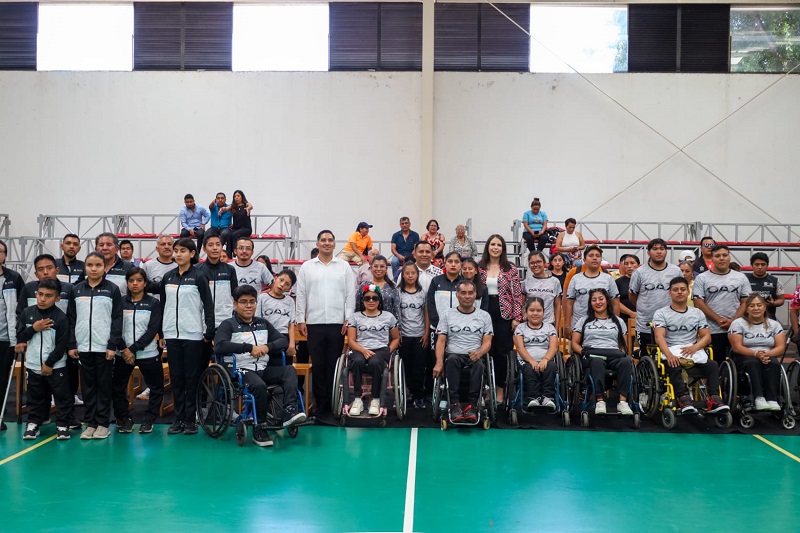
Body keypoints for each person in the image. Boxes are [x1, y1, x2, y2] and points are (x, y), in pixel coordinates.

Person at [215, 285, 306, 447]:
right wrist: (248, 348)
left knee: (289, 370)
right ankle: (260, 428)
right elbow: (220, 346)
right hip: (240, 370)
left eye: (252, 302)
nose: (248, 305)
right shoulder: (228, 324)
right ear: (235, 304)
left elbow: (283, 341)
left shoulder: (263, 323)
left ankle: (289, 411)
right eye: (243, 302)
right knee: (259, 386)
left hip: (263, 369)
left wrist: (267, 347)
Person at [16, 254, 82, 424]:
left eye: (49, 268)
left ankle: (67, 418)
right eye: (41, 269)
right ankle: (41, 416)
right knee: (39, 387)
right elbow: (20, 315)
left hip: (63, 344)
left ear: (57, 269)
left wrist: (71, 344)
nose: (45, 272)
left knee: (67, 385)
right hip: (37, 345)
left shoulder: (69, 289)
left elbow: (73, 317)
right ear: (36, 273)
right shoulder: (29, 288)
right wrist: (21, 339)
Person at [295, 230, 355, 414]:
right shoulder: (307, 267)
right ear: (317, 244)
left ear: (335, 244)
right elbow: (301, 294)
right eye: (323, 240)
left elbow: (350, 295)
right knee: (319, 365)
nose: (326, 243)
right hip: (314, 323)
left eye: (330, 240)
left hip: (338, 324)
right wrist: (300, 319)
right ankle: (321, 406)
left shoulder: (344, 266)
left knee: (334, 365)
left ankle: (334, 404)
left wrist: (348, 319)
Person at [160, 238, 215, 436]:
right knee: (176, 378)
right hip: (171, 334)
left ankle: (191, 419)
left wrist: (209, 331)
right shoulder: (168, 277)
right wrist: (162, 331)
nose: (178, 254)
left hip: (193, 335)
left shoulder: (199, 276)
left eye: (182, 250)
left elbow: (208, 305)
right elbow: (163, 305)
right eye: (176, 250)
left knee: (191, 379)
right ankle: (179, 419)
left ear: (192, 254)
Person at [652, 277, 729, 415]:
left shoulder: (697, 313)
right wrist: (669, 355)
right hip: (671, 349)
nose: (679, 292)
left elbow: (706, 337)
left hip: (692, 350)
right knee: (673, 363)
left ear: (688, 292)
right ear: (670, 293)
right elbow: (659, 337)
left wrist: (695, 347)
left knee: (712, 365)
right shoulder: (661, 313)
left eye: (683, 289)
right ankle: (683, 398)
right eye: (675, 290)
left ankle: (714, 398)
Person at [69, 252, 124, 440]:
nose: (93, 269)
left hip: (104, 348)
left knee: (104, 386)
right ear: (85, 267)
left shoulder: (112, 289)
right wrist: (72, 344)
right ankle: (90, 423)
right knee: (87, 387)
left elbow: (117, 319)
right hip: (83, 347)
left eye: (98, 265)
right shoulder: (76, 290)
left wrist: (112, 345)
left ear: (104, 267)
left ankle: (103, 424)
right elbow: (71, 319)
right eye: (90, 265)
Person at [16, 279, 72, 440]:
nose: (42, 299)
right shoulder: (27, 313)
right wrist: (34, 329)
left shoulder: (60, 318)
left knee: (61, 396)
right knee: (34, 397)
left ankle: (62, 425)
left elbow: (61, 345)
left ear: (57, 298)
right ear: (36, 294)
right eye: (40, 294)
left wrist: (49, 363)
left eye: (48, 296)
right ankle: (33, 424)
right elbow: (20, 336)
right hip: (33, 364)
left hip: (56, 366)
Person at [110, 268, 164, 434]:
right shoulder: (119, 302)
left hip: (148, 353)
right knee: (118, 388)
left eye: (139, 280)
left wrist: (132, 349)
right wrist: (123, 349)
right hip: (122, 354)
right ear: (127, 283)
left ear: (145, 283)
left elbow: (152, 329)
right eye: (131, 280)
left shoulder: (154, 303)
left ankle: (149, 419)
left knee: (156, 387)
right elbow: (115, 327)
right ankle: (124, 418)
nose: (135, 283)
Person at [433, 280, 493, 422]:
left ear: (475, 295)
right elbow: (441, 341)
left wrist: (479, 352)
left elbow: (487, 342)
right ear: (457, 295)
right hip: (454, 354)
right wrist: (439, 363)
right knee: (452, 360)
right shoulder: (447, 314)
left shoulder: (484, 316)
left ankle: (472, 405)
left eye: (470, 293)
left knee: (479, 364)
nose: (467, 296)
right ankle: (454, 404)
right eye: (463, 293)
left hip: (475, 355)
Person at [571, 289, 633, 415]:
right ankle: (600, 400)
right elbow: (574, 343)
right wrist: (583, 352)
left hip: (613, 354)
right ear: (590, 303)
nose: (598, 302)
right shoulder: (584, 321)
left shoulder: (619, 321)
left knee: (626, 361)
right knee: (597, 362)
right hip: (592, 354)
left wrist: (622, 353)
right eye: (594, 300)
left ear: (607, 301)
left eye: (601, 299)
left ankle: (623, 402)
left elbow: (623, 345)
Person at [479, 234, 523, 404]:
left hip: (504, 312)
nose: (495, 248)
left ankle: (500, 390)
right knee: (485, 350)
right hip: (484, 309)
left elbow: (517, 295)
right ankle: (486, 389)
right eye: (493, 244)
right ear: (487, 247)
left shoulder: (510, 268)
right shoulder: (480, 267)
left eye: (499, 245)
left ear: (503, 248)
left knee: (501, 352)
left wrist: (517, 317)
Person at [347, 284, 400, 416]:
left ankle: (375, 400)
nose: (371, 301)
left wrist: (388, 350)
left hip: (381, 349)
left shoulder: (389, 317)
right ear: (363, 300)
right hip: (360, 348)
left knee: (375, 362)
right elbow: (351, 341)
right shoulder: (355, 317)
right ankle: (357, 400)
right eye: (367, 298)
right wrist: (364, 351)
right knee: (357, 362)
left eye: (375, 298)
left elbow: (396, 338)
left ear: (379, 300)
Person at [693, 244, 751, 364]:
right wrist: (718, 319)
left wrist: (733, 321)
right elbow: (698, 303)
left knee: (739, 364)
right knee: (716, 364)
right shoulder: (702, 278)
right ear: (712, 259)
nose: (721, 258)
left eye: (725, 255)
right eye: (717, 256)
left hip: (737, 328)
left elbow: (746, 302)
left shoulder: (741, 277)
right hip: (712, 330)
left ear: (729, 257)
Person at [729, 294, 786, 412]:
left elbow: (781, 347)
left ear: (764, 307)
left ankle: (772, 398)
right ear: (746, 309)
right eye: (752, 306)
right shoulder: (738, 323)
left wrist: (766, 354)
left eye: (759, 305)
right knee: (753, 363)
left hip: (768, 354)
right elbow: (737, 347)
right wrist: (756, 354)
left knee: (774, 363)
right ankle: (758, 397)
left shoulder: (774, 324)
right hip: (745, 355)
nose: (756, 308)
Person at [629, 239, 682, 350]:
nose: (659, 252)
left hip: (670, 323)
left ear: (666, 252)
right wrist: (644, 308)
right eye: (655, 249)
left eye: (662, 249)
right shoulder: (639, 272)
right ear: (648, 252)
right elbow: (633, 296)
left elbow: (680, 293)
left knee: (670, 356)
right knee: (646, 356)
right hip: (645, 324)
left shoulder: (676, 271)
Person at [198, 230, 239, 369]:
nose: (215, 248)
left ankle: (225, 383)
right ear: (204, 249)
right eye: (210, 245)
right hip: (202, 322)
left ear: (222, 247)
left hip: (224, 321)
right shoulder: (197, 270)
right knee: (201, 363)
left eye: (218, 244)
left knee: (226, 363)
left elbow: (235, 295)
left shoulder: (230, 270)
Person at [564, 245, 620, 339]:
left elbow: (615, 303)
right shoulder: (575, 278)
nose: (594, 258)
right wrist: (567, 325)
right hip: (578, 328)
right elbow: (569, 304)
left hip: (604, 328)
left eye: (598, 256)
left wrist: (615, 324)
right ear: (584, 260)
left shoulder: (608, 278)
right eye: (591, 255)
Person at [514, 297, 559, 410]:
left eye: (539, 310)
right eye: (532, 310)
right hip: (526, 361)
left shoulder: (550, 328)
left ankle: (547, 398)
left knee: (551, 366)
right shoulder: (520, 328)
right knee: (529, 368)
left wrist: (545, 359)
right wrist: (531, 361)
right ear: (526, 311)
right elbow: (520, 347)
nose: (535, 313)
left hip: (545, 360)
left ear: (543, 312)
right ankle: (533, 398)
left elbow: (553, 347)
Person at [397, 262, 429, 409]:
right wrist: (397, 334)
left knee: (419, 367)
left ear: (417, 275)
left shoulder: (423, 293)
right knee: (406, 366)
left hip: (419, 335)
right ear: (403, 275)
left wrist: (426, 333)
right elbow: (396, 314)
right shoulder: (398, 292)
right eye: (407, 273)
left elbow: (426, 313)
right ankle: (408, 393)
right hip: (403, 336)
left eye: (413, 273)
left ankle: (419, 395)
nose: (410, 276)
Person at [0, 240, 24, 431]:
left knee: (1, 379)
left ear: (5, 255)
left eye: (0, 251)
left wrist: (19, 336)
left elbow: (22, 307)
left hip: (6, 339)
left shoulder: (13, 277)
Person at [257, 268, 297, 363]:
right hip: (266, 336)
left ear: (289, 288)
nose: (282, 285)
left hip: (283, 337)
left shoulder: (290, 301)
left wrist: (292, 344)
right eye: (281, 280)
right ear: (275, 278)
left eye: (287, 284)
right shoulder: (262, 298)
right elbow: (258, 320)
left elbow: (291, 324)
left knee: (285, 365)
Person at [522, 251, 562, 330]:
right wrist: (525, 317)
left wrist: (556, 327)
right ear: (529, 265)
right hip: (530, 326)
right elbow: (522, 305)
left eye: (538, 262)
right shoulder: (525, 282)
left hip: (548, 325)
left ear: (544, 263)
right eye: (532, 263)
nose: (535, 265)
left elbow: (557, 306)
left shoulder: (555, 281)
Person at [357, 254, 400, 319]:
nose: (379, 269)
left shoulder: (392, 287)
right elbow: (357, 307)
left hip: (387, 323)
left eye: (382, 266)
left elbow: (396, 309)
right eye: (376, 266)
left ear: (386, 269)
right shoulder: (364, 285)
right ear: (371, 268)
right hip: (367, 323)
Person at [746, 252, 784, 320]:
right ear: (752, 265)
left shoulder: (776, 281)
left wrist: (774, 303)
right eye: (757, 264)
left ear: (767, 266)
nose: (760, 267)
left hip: (769, 319)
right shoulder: (744, 279)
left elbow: (781, 299)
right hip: (747, 319)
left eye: (763, 264)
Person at [221, 189, 253, 257]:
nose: (236, 198)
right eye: (235, 196)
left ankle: (235, 252)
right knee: (229, 235)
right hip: (236, 228)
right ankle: (229, 254)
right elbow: (226, 208)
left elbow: (251, 206)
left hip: (246, 228)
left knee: (235, 235)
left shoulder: (246, 204)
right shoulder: (233, 206)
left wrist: (248, 208)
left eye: (238, 196)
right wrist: (223, 209)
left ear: (242, 197)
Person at [390, 217, 420, 282]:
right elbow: (393, 249)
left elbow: (416, 248)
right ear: (400, 225)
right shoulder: (395, 235)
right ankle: (396, 280)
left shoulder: (415, 235)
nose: (404, 225)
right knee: (394, 261)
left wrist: (409, 257)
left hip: (411, 255)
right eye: (402, 224)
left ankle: (414, 280)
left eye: (406, 223)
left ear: (409, 224)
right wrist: (398, 256)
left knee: (416, 261)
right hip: (398, 255)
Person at [616, 254, 640, 322]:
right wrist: (631, 313)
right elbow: (615, 302)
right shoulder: (618, 282)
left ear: (638, 265)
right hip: (624, 319)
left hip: (643, 317)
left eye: (632, 263)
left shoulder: (644, 281)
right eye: (626, 264)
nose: (629, 266)